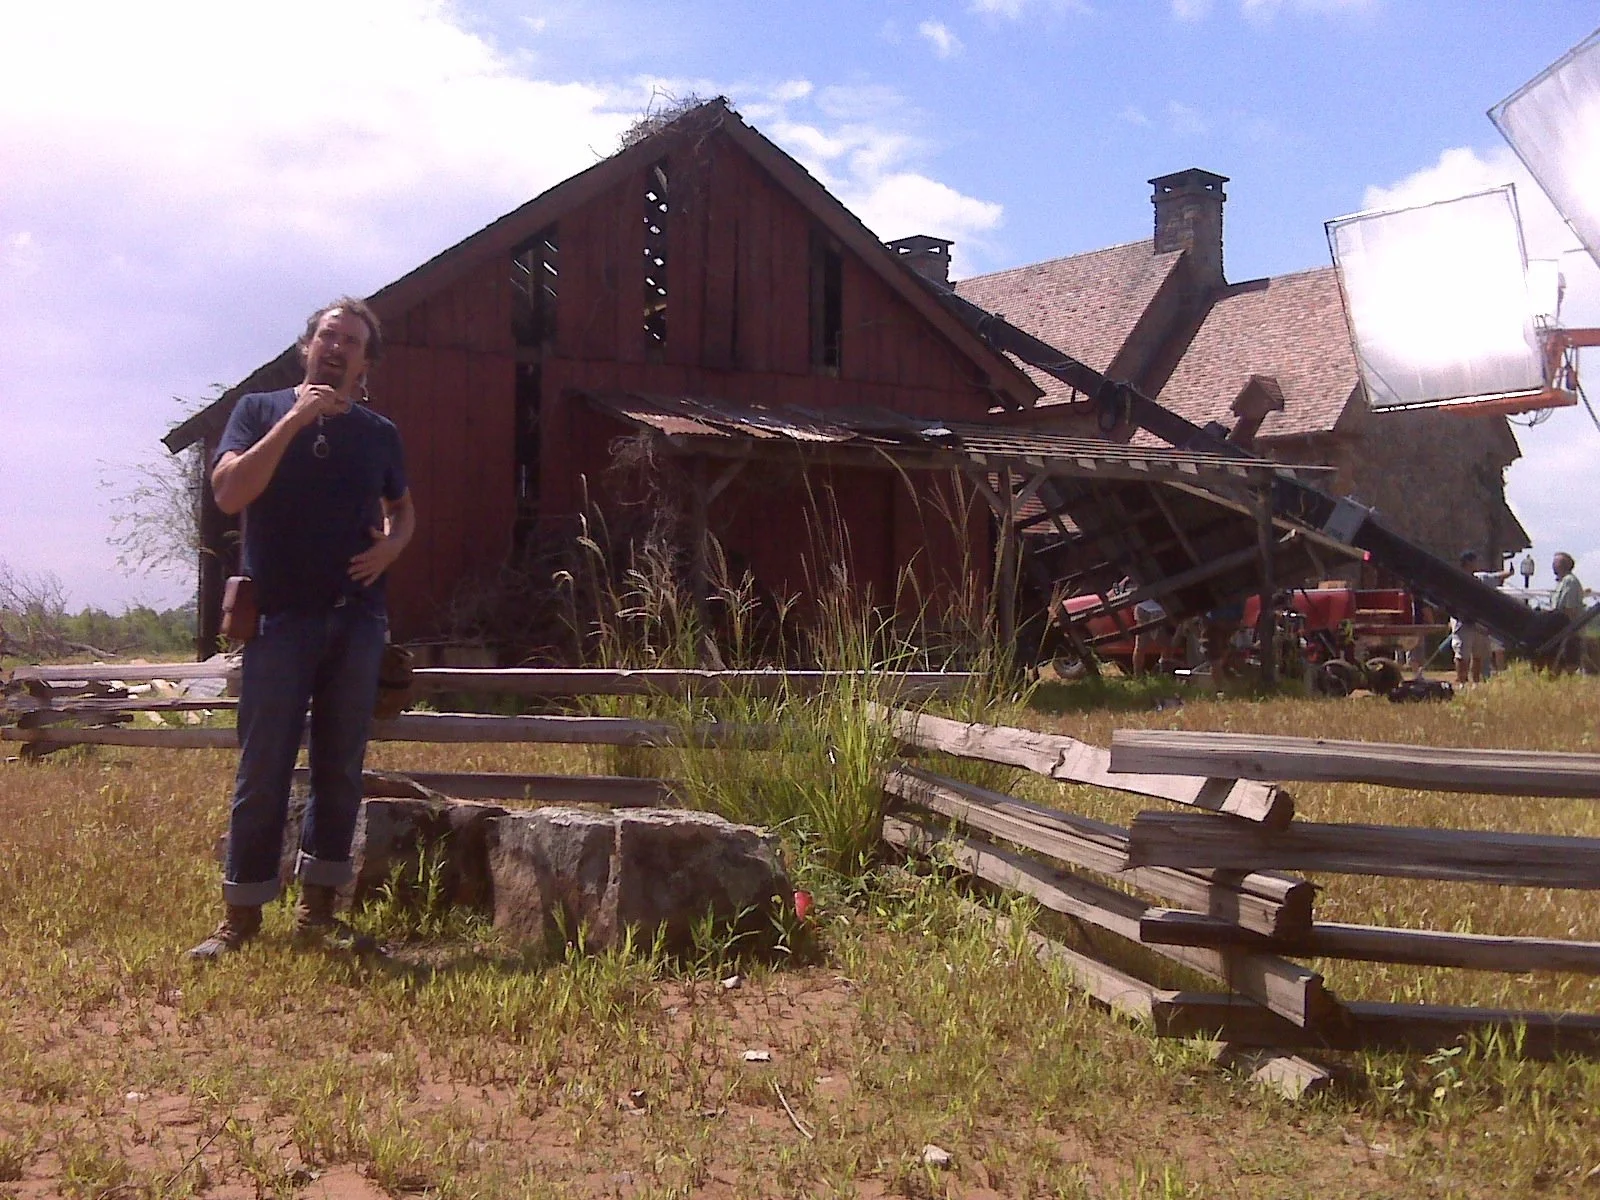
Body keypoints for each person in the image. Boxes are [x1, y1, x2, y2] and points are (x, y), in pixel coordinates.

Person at [188, 298, 414, 960]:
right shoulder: (259, 411)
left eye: (351, 341)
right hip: (279, 621)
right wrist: (295, 420)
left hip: (356, 619)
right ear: (306, 346)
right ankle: (241, 917)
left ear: (366, 362)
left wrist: (391, 548)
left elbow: (402, 509)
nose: (336, 347)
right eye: (327, 336)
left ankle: (319, 912)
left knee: (340, 768)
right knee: (264, 766)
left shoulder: (379, 433)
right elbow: (230, 493)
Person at [1452, 550, 1510, 684]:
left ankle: (1476, 682)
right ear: (1468, 562)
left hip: (1479, 622)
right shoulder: (1457, 579)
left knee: (1477, 655)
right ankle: (1462, 682)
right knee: (1462, 654)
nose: (1478, 563)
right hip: (1463, 621)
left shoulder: (1480, 579)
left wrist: (1509, 572)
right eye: (1475, 561)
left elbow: (1496, 577)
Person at [1552, 552, 1586, 675]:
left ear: (1563, 565)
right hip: (1561, 632)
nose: (1552, 565)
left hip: (1568, 633)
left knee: (1569, 667)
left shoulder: (1570, 582)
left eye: (1555, 562)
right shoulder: (1561, 582)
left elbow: (1570, 609)